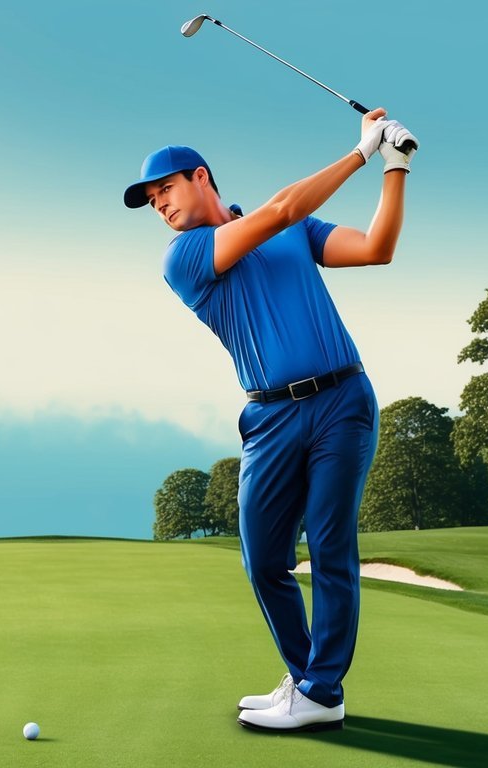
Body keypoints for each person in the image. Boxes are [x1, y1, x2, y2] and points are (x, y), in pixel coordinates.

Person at [123, 110, 416, 733]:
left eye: (165, 190)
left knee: (331, 544)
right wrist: (360, 152)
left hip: (342, 400)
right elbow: (279, 210)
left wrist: (395, 166)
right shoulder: (186, 256)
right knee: (263, 560)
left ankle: (320, 689)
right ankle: (309, 679)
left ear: (200, 177)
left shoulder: (292, 227)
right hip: (270, 416)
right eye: (151, 201)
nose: (160, 207)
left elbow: (376, 248)